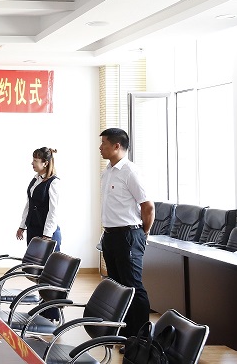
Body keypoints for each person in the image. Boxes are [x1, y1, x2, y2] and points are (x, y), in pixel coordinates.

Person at [99, 128, 155, 337]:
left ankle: (139, 338)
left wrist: (142, 233)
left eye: (104, 143)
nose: (100, 147)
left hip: (128, 235)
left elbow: (148, 207)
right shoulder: (108, 171)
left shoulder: (130, 171)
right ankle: (124, 332)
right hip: (110, 235)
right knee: (117, 286)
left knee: (133, 286)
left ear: (116, 146)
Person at [16, 147, 62, 251]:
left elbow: (53, 211)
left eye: (35, 161)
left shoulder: (53, 182)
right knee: (31, 261)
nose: (32, 163)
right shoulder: (35, 179)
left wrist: (47, 235)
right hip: (33, 229)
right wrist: (22, 226)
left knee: (48, 262)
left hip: (47, 233)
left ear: (45, 163)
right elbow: (29, 204)